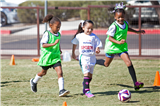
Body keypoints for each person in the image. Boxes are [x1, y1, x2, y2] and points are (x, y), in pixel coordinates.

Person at [104, 2, 145, 91]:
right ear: (115, 17)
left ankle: (136, 84)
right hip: (112, 47)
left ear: (124, 16)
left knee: (129, 63)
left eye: (122, 17)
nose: (120, 19)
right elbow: (110, 38)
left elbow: (127, 28)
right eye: (118, 17)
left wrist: (137, 32)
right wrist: (118, 42)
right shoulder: (113, 26)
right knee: (106, 64)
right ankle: (95, 61)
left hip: (121, 48)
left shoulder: (125, 23)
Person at [30, 14, 70, 97]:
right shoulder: (47, 34)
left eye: (59, 27)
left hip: (55, 57)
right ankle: (34, 81)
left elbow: (58, 43)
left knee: (60, 72)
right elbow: (43, 45)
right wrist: (53, 44)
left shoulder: (58, 34)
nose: (58, 29)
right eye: (57, 27)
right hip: (47, 57)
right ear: (51, 25)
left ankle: (61, 90)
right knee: (43, 73)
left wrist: (59, 49)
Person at [71, 20, 102, 98]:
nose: (90, 30)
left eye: (91, 29)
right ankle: (87, 91)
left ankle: (85, 84)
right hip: (84, 58)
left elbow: (97, 44)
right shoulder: (79, 36)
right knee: (86, 73)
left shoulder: (94, 36)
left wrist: (97, 49)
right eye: (88, 28)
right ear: (83, 28)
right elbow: (74, 43)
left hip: (92, 58)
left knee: (90, 76)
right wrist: (73, 53)